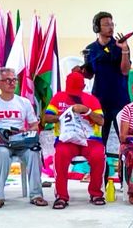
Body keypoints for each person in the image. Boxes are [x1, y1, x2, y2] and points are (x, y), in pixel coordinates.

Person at [0, 67, 47, 209]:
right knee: (3, 154)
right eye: (8, 80)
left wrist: (26, 131)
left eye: (14, 79)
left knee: (34, 153)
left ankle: (36, 195)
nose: (12, 83)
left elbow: (35, 125)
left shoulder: (24, 102)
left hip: (20, 142)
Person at [45, 70, 105, 209]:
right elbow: (47, 118)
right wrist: (64, 115)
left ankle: (96, 193)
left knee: (98, 156)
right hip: (67, 138)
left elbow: (101, 121)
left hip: (90, 139)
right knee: (60, 155)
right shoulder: (58, 97)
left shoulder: (91, 99)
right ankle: (61, 196)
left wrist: (87, 111)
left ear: (84, 87)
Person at [83, 11, 132, 155]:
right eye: (106, 25)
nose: (110, 27)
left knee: (125, 142)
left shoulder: (120, 45)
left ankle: (125, 175)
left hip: (120, 100)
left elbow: (125, 71)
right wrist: (81, 71)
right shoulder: (91, 48)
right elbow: (89, 75)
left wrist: (124, 50)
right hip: (99, 100)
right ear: (97, 28)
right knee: (99, 142)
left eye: (112, 24)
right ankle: (101, 175)